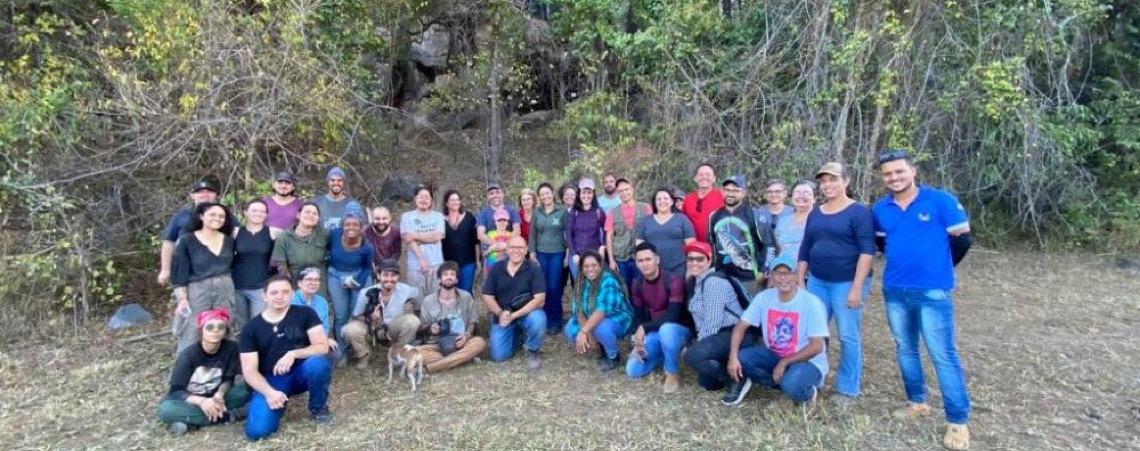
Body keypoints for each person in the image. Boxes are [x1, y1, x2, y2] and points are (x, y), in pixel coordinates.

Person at [872, 149, 973, 451]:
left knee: (942, 353)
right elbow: (882, 243)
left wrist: (939, 266)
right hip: (895, 290)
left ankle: (957, 421)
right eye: (888, 174)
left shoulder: (940, 201)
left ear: (913, 171)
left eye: (899, 171)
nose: (894, 178)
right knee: (905, 348)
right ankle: (917, 402)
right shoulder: (881, 208)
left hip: (932, 292)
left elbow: (962, 240)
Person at [796, 162, 876, 404]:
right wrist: (801, 279)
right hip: (818, 281)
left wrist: (855, 288)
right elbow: (805, 247)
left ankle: (848, 388)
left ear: (846, 181)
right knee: (816, 334)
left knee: (848, 335)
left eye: (833, 179)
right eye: (823, 181)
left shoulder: (859, 212)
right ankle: (816, 377)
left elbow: (866, 252)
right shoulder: (816, 213)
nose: (827, 185)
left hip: (846, 283)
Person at [725, 255, 828, 406]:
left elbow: (817, 347)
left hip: (808, 361)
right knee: (742, 358)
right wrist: (732, 357)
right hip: (776, 354)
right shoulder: (764, 297)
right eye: (777, 273)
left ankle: (807, 392)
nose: (782, 278)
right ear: (771, 277)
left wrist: (785, 362)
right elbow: (740, 327)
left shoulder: (811, 303)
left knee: (792, 385)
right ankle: (783, 384)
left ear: (796, 275)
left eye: (788, 273)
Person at [240, 275, 332, 440]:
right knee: (257, 432)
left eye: (285, 292)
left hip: (301, 373)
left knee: (318, 364)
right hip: (272, 381)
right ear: (264, 296)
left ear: (292, 293)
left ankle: (318, 407)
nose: (280, 296)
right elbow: (249, 371)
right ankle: (275, 401)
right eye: (274, 292)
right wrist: (270, 393)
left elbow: (322, 346)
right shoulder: (251, 328)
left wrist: (294, 353)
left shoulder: (306, 314)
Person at [681, 241, 756, 399]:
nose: (694, 263)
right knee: (708, 384)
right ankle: (728, 368)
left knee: (692, 355)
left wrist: (698, 346)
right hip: (720, 336)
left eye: (700, 259)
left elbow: (712, 323)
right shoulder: (697, 281)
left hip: (734, 334)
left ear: (709, 261)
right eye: (690, 259)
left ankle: (737, 379)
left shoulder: (713, 282)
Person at [158, 308, 250, 435]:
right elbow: (176, 391)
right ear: (202, 330)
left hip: (216, 396)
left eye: (220, 327)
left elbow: (228, 379)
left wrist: (220, 394)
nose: (216, 330)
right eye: (210, 327)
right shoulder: (188, 354)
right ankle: (230, 416)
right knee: (165, 410)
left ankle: (190, 422)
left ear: (225, 331)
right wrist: (202, 402)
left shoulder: (231, 348)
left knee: (247, 389)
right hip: (193, 400)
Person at [171, 202, 237, 354]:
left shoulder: (229, 241)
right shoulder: (187, 240)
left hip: (225, 289)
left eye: (221, 216)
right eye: (212, 214)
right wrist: (182, 299)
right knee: (193, 329)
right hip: (198, 290)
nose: (217, 218)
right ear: (201, 216)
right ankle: (188, 370)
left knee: (224, 327)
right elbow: (179, 273)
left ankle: (227, 370)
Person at [625, 242, 691, 392]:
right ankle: (667, 353)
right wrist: (638, 340)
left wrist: (644, 328)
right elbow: (639, 314)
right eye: (640, 261)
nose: (644, 264)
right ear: (636, 263)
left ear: (657, 260)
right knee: (633, 371)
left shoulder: (673, 281)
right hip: (654, 330)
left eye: (648, 259)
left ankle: (672, 372)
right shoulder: (637, 283)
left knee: (666, 329)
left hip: (677, 329)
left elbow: (673, 316)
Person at [481, 236, 547, 370]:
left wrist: (515, 315)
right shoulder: (496, 268)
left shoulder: (534, 269)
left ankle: (532, 350)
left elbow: (540, 298)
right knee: (499, 356)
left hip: (525, 314)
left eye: (520, 248)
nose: (516, 251)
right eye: (512, 247)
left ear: (526, 250)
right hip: (503, 315)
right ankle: (518, 335)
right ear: (507, 250)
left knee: (538, 319)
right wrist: (500, 313)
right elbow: (487, 295)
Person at [341, 261, 423, 369]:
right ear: (379, 276)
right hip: (372, 328)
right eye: (385, 275)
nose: (389, 279)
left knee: (413, 321)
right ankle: (364, 355)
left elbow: (419, 298)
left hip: (392, 327)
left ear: (398, 276)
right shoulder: (366, 293)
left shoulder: (406, 290)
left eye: (393, 275)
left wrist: (411, 308)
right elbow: (356, 317)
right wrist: (370, 317)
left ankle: (398, 353)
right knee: (349, 329)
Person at [564, 251, 633, 372]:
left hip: (617, 318)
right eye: (586, 266)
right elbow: (578, 311)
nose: (590, 269)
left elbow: (602, 311)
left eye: (594, 265)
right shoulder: (581, 281)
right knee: (570, 329)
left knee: (601, 327)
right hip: (592, 318)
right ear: (581, 268)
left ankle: (613, 356)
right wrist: (587, 334)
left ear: (601, 266)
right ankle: (600, 346)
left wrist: (584, 331)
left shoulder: (608, 280)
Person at [415, 261, 488, 373]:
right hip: (436, 344)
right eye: (445, 274)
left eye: (452, 274)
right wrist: (431, 329)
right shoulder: (428, 301)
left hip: (461, 343)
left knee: (480, 342)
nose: (449, 277)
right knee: (415, 353)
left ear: (457, 279)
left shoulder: (466, 297)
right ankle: (464, 358)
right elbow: (422, 328)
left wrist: (466, 336)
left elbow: (473, 322)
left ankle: (430, 368)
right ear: (439, 279)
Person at [157, 179, 227, 287]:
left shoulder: (225, 215)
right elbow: (169, 242)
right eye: (200, 192)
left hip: (218, 274)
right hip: (186, 273)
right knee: (186, 302)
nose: (205, 195)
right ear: (192, 196)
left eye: (209, 192)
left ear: (215, 195)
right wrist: (165, 269)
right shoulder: (181, 216)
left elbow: (237, 239)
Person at [708, 175, 766, 294]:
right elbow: (712, 244)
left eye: (735, 190)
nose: (731, 193)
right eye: (727, 190)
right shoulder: (714, 216)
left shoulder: (755, 214)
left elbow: (768, 245)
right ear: (722, 192)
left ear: (743, 193)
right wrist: (713, 269)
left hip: (749, 278)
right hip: (721, 277)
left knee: (749, 311)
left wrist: (762, 270)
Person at [326, 212, 374, 348]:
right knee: (341, 314)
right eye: (347, 224)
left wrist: (357, 283)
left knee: (355, 314)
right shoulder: (334, 235)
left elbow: (367, 267)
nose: (350, 227)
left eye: (355, 225)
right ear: (342, 226)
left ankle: (354, 345)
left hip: (358, 276)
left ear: (361, 227)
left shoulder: (367, 247)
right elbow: (327, 250)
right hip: (335, 276)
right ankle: (341, 348)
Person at [529, 182, 569, 336]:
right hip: (541, 254)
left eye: (547, 193)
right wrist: (532, 253)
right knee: (542, 288)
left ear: (552, 193)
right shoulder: (536, 212)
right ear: (539, 197)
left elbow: (568, 234)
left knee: (554, 287)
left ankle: (555, 320)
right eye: (542, 194)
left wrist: (567, 254)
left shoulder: (562, 211)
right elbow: (532, 234)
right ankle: (544, 319)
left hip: (557, 253)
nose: (545, 196)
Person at [270, 202, 330, 298]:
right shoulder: (284, 237)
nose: (311, 215)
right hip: (296, 285)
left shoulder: (324, 235)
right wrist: (291, 287)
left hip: (319, 286)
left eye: (315, 213)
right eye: (307, 212)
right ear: (298, 215)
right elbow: (281, 266)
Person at [232, 199, 274, 334]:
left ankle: (260, 354)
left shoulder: (273, 232)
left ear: (266, 214)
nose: (258, 214)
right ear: (246, 212)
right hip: (237, 286)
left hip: (260, 287)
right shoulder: (235, 232)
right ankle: (243, 353)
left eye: (262, 211)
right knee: (242, 327)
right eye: (254, 210)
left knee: (259, 325)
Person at [635, 187, 696, 276]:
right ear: (655, 203)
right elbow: (640, 248)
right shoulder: (646, 221)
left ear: (672, 202)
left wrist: (690, 269)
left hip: (678, 269)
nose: (662, 201)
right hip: (653, 272)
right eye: (659, 199)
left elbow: (691, 247)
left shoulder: (682, 219)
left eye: (665, 198)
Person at [605, 178, 652, 291]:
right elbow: (609, 236)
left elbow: (651, 231)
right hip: (621, 259)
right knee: (624, 290)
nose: (624, 193)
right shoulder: (612, 212)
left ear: (632, 189)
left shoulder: (645, 208)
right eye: (621, 191)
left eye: (627, 189)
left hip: (641, 258)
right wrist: (611, 260)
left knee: (641, 289)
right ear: (617, 193)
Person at [401, 186, 446, 295]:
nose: (423, 200)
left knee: (435, 297)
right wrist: (422, 259)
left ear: (431, 201)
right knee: (416, 298)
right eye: (420, 197)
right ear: (415, 199)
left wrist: (416, 235)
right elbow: (408, 239)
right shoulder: (407, 217)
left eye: (427, 197)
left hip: (436, 263)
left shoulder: (438, 216)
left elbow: (437, 236)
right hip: (415, 265)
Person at [291, 268, 341, 362]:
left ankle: (321, 372)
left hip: (317, 340)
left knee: (335, 353)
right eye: (309, 279)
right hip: (296, 342)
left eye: (316, 280)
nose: (313, 283)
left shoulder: (322, 301)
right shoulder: (291, 302)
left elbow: (325, 327)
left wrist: (325, 339)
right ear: (299, 283)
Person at [565, 178, 607, 281]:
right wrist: (574, 254)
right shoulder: (574, 212)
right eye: (583, 193)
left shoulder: (599, 211)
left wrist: (603, 246)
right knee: (579, 286)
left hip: (594, 257)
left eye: (589, 193)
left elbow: (607, 230)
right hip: (577, 257)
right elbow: (569, 234)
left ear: (593, 194)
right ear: (579, 194)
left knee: (594, 286)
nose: (586, 196)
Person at [441, 190, 480, 293]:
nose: (455, 202)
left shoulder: (469, 217)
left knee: (466, 291)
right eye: (452, 200)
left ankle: (467, 309)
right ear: (446, 203)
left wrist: (478, 260)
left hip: (468, 261)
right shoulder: (440, 220)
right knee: (451, 291)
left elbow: (476, 241)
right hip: (448, 263)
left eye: (458, 199)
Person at [773, 180, 815, 270]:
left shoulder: (820, 220)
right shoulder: (783, 221)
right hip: (784, 276)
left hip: (810, 276)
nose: (801, 195)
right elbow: (777, 249)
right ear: (791, 197)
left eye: (806, 193)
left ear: (815, 198)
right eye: (797, 192)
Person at [682, 163, 724, 245]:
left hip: (717, 247)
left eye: (708, 174)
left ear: (714, 178)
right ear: (695, 178)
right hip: (694, 249)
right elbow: (683, 224)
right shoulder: (688, 199)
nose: (704, 177)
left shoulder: (722, 198)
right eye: (700, 174)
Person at [756, 179, 793, 265]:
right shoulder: (757, 213)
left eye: (777, 191)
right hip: (763, 260)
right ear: (765, 194)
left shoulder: (793, 212)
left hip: (788, 262)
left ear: (785, 193)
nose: (773, 194)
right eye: (770, 192)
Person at [477, 182, 521, 250]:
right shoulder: (483, 213)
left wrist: (506, 244)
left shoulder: (512, 211)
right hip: (491, 254)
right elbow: (480, 235)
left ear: (503, 194)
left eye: (497, 192)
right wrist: (496, 245)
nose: (495, 195)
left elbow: (517, 231)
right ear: (488, 197)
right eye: (491, 193)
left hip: (509, 253)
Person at [483, 208, 513, 273]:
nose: (502, 223)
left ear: (507, 222)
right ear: (495, 222)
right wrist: (490, 250)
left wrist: (506, 247)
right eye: (499, 220)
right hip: (491, 269)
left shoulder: (512, 236)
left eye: (504, 220)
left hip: (507, 269)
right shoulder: (489, 234)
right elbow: (484, 254)